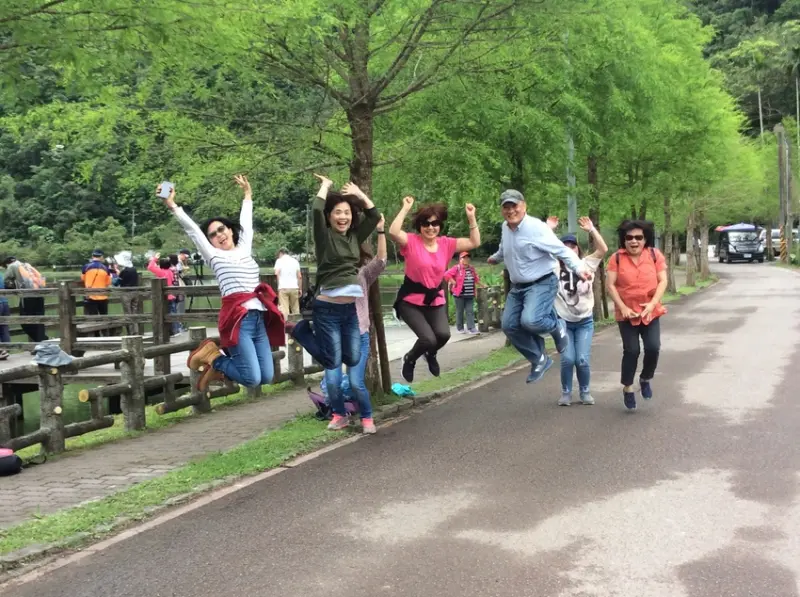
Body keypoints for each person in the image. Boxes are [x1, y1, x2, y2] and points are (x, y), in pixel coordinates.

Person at [159, 176, 285, 391]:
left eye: (222, 229)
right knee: (252, 379)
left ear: (230, 230)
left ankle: (219, 365)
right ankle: (214, 358)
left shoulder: (244, 249)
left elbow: (248, 225)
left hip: (258, 318)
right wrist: (172, 205)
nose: (219, 234)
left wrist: (247, 196)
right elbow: (193, 231)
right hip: (239, 320)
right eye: (213, 234)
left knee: (266, 376)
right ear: (210, 241)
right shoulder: (214, 255)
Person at [289, 174, 380, 430]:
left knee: (350, 359)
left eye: (348, 212)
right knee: (333, 363)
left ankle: (303, 334)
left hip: (349, 310)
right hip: (327, 309)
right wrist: (325, 186)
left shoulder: (353, 237)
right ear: (330, 216)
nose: (343, 217)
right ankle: (340, 415)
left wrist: (360, 195)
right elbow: (316, 210)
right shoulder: (324, 237)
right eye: (338, 212)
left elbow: (374, 216)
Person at [487, 190, 590, 384]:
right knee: (509, 326)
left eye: (514, 206)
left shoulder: (537, 228)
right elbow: (505, 248)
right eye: (506, 207)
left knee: (531, 321)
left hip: (542, 281)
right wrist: (496, 257)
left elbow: (561, 250)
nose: (511, 211)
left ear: (523, 206)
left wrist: (579, 268)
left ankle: (557, 326)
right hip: (519, 286)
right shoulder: (505, 227)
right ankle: (539, 358)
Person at [389, 196, 480, 383]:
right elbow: (393, 231)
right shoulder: (411, 242)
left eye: (435, 223)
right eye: (426, 223)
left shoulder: (446, 244)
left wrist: (471, 218)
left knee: (443, 335)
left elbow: (474, 242)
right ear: (419, 226)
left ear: (440, 225)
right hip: (410, 300)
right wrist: (405, 208)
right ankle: (410, 358)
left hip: (434, 298)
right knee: (428, 338)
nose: (431, 228)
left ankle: (430, 355)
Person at [320, 215, 387, 433]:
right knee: (332, 382)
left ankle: (367, 417)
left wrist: (380, 231)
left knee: (356, 382)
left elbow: (381, 261)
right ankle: (340, 414)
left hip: (358, 333)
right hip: (333, 333)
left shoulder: (363, 272)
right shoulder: (328, 272)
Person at [546, 216, 608, 406]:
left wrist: (591, 229)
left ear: (578, 249)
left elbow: (603, 250)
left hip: (584, 321)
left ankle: (585, 391)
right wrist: (548, 229)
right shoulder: (553, 266)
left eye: (572, 246)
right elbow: (542, 247)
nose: (569, 249)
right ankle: (566, 393)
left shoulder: (587, 264)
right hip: (563, 321)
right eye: (564, 246)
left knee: (581, 359)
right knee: (567, 359)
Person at [606, 219, 668, 411]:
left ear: (645, 239)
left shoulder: (654, 254)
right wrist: (623, 307)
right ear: (624, 240)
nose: (634, 241)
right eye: (629, 238)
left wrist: (652, 303)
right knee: (632, 351)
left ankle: (645, 378)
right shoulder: (616, 258)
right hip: (627, 313)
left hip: (650, 311)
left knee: (653, 347)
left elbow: (663, 281)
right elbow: (610, 285)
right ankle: (628, 387)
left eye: (639, 238)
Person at [2, 257, 48, 343]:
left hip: (28, 296)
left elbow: (6, 281)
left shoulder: (12, 266)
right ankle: (42, 344)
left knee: (25, 322)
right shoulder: (26, 265)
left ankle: (43, 341)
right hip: (39, 294)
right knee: (39, 321)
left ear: (7, 264)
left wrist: (14, 288)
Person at [445, 251, 484, 335]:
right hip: (459, 294)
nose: (466, 259)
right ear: (460, 259)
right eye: (464, 257)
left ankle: (472, 328)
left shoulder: (471, 269)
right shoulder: (457, 268)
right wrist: (453, 282)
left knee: (470, 311)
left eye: (467, 257)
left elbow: (476, 279)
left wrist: (483, 285)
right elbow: (446, 274)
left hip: (470, 294)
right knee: (460, 311)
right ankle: (460, 328)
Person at [81, 249, 113, 337]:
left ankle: (97, 335)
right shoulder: (105, 268)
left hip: (91, 296)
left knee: (94, 318)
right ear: (102, 257)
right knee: (104, 317)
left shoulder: (86, 267)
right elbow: (108, 282)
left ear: (92, 256)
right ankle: (106, 335)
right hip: (103, 296)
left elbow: (83, 279)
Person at [148, 253, 181, 336]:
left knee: (163, 314)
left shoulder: (161, 272)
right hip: (171, 295)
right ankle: (175, 330)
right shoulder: (170, 271)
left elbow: (150, 267)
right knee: (173, 313)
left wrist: (154, 258)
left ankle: (168, 331)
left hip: (164, 296)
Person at [113, 251, 140, 335]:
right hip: (135, 292)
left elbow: (116, 283)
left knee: (127, 313)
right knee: (134, 312)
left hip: (126, 293)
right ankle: (136, 331)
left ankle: (130, 332)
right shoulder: (134, 269)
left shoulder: (124, 271)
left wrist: (117, 274)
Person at [274, 248, 302, 316]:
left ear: (281, 253)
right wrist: (300, 288)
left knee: (284, 310)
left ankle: (286, 325)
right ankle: (297, 324)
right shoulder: (295, 261)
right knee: (295, 309)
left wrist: (279, 286)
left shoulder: (279, 261)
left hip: (283, 288)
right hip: (294, 287)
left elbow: (276, 273)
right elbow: (300, 276)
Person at [0, 267, 9, 360]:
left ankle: (1, 352)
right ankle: (5, 350)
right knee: (4, 327)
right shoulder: (1, 274)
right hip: (4, 302)